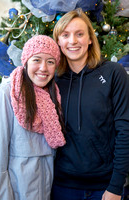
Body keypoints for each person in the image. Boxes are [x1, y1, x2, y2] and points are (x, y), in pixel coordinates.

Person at [51, 8, 129, 200]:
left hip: (104, 186)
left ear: (90, 39)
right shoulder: (52, 80)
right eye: (65, 35)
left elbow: (125, 129)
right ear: (58, 41)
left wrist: (116, 186)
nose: (73, 41)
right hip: (63, 185)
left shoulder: (113, 73)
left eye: (79, 34)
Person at [0, 35, 66, 200]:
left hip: (45, 190)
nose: (43, 68)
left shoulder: (53, 95)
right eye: (37, 60)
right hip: (16, 192)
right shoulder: (7, 93)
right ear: (26, 61)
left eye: (50, 62)